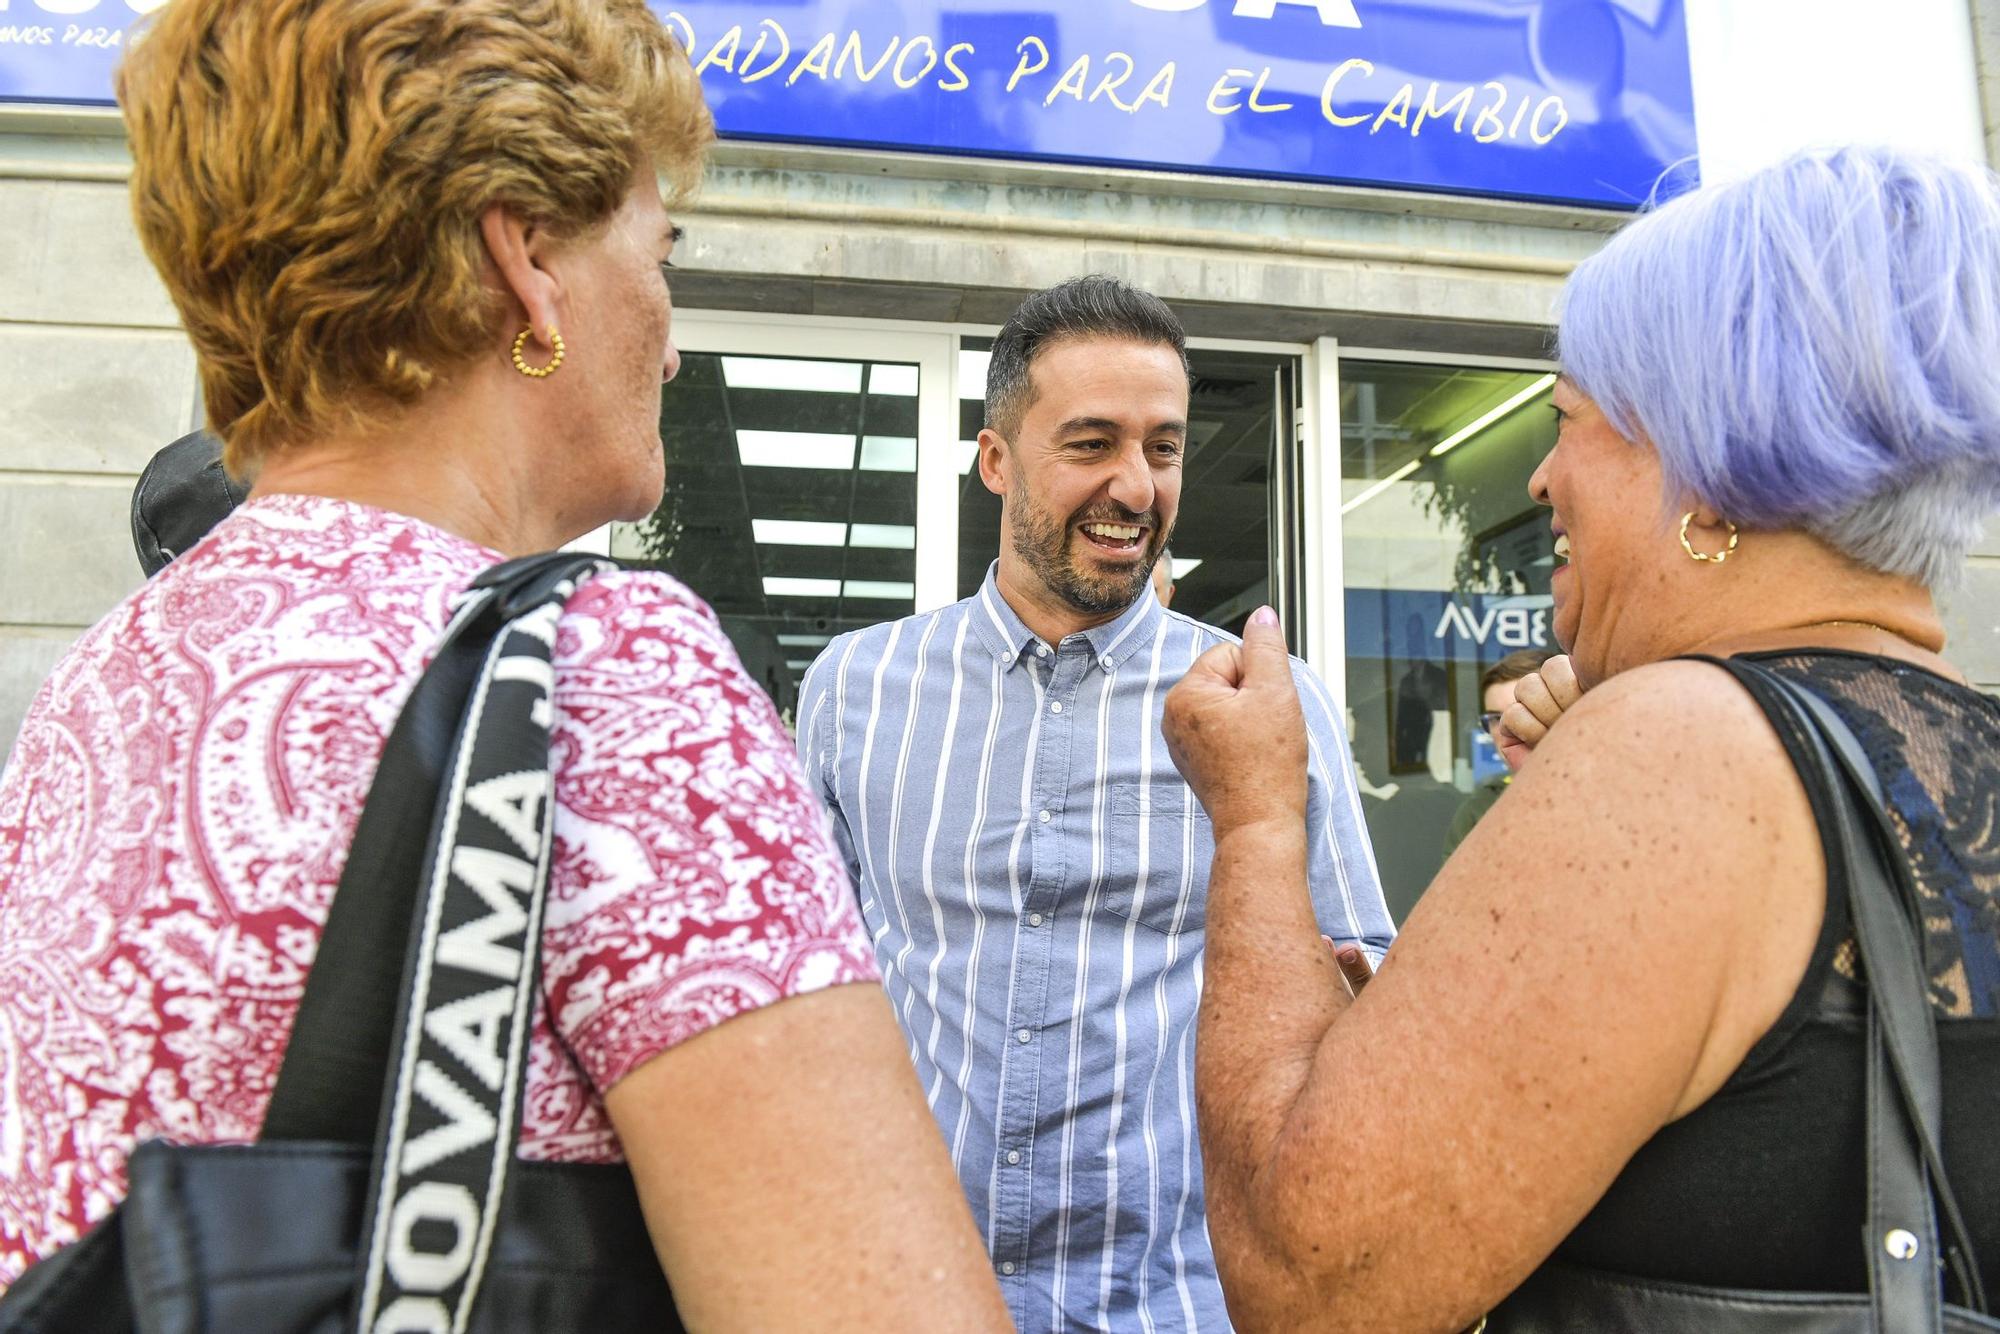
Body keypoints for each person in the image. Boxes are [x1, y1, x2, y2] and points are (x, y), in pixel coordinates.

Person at [0, 1, 1013, 1326]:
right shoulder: (606, 675)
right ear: (531, 264)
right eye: (663, 250)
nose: (672, 328)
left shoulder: (114, 673)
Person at [1164, 145, 2000, 1331]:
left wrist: (1254, 816)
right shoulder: (1942, 749)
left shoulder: (1681, 752)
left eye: (1567, 420)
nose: (1545, 478)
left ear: (1705, 477)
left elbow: (1304, 1279)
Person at [796, 274, 1393, 1330]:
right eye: (1089, 444)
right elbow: (810, 986)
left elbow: (1361, 978)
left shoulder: (1266, 699)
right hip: (910, 1291)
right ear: (995, 459)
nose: (1135, 485)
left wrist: (1351, 1002)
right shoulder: (853, 686)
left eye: (1161, 448)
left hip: (1168, 1302)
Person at [1439, 647, 1560, 857]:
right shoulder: (1477, 811)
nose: (1507, 729)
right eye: (1496, 718)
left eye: (1523, 712)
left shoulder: (1605, 787)